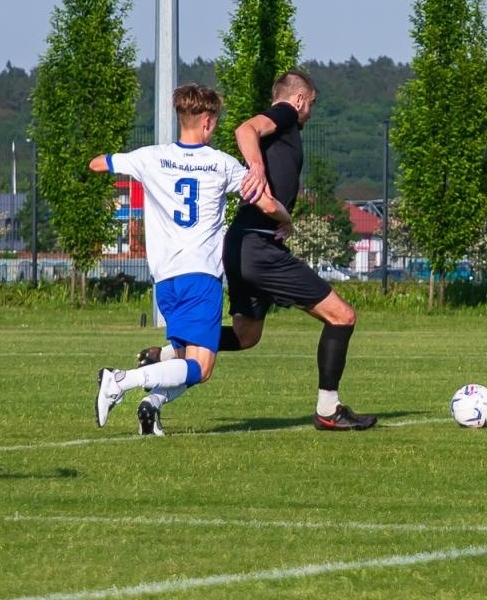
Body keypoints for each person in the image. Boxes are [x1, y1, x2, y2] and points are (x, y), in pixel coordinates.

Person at [140, 70, 376, 430]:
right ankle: (328, 409)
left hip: (241, 244)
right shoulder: (284, 114)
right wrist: (257, 169)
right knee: (342, 316)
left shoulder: (284, 130)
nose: (309, 113)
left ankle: (169, 353)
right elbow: (244, 130)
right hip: (257, 247)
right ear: (299, 100)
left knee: (247, 335)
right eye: (310, 104)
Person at [91, 84, 292, 435]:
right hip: (200, 276)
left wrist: (129, 168)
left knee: (188, 360)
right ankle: (121, 380)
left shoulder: (150, 157)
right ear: (209, 121)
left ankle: (151, 406)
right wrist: (286, 220)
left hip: (165, 280)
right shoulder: (221, 164)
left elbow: (98, 164)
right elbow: (265, 202)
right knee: (202, 367)